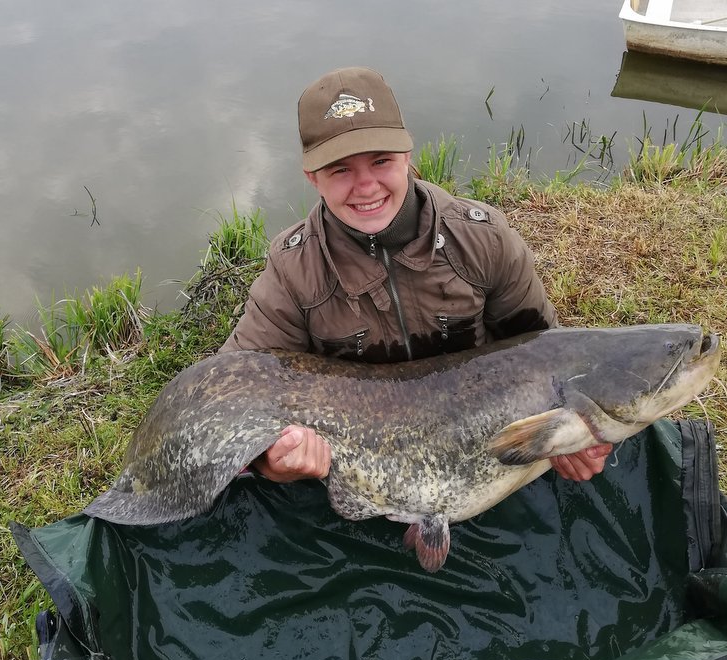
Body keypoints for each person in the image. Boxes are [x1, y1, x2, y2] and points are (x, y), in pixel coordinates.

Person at [220, 66, 611, 484]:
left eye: (381, 160)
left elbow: (548, 353)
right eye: (340, 170)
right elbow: (231, 390)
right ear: (312, 178)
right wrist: (272, 462)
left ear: (408, 155)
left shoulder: (484, 239)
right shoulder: (292, 269)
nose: (366, 185)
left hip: (484, 445)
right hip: (359, 472)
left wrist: (570, 436)